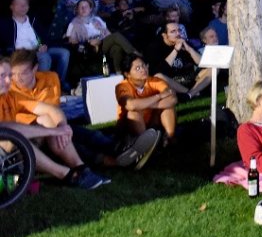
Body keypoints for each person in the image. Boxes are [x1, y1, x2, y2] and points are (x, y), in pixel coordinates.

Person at [9, 49, 158, 170]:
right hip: (32, 134)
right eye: (13, 74)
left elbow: (54, 109)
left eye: (23, 73)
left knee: (90, 135)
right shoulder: (9, 89)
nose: (18, 78)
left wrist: (62, 128)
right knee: (70, 142)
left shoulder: (50, 78)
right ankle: (113, 161)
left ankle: (125, 149)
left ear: (35, 68)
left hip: (54, 125)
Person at [0, 56, 111, 189]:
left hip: (12, 150)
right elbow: (6, 128)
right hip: (7, 147)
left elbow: (50, 109)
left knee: (47, 119)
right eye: (2, 76)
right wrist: (53, 131)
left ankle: (80, 168)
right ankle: (66, 174)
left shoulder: (9, 96)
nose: (9, 81)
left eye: (9, 75)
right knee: (14, 138)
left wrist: (62, 126)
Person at [0, 0, 71, 89]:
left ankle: (58, 83)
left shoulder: (33, 20)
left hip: (38, 48)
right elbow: (4, 43)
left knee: (64, 53)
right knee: (45, 57)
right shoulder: (6, 23)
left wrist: (44, 44)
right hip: (22, 53)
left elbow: (44, 36)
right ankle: (41, 87)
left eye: (25, 4)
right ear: (11, 6)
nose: (23, 7)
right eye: (19, 4)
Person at [64, 0, 140, 85]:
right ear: (77, 10)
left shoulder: (97, 19)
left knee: (116, 47)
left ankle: (119, 76)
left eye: (86, 7)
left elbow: (108, 33)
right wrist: (87, 42)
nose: (84, 9)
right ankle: (134, 53)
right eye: (81, 7)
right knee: (116, 36)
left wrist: (105, 39)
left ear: (90, 9)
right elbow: (71, 41)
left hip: (103, 43)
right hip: (90, 48)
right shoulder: (73, 23)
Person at [115, 53, 179, 144]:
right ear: (127, 74)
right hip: (130, 126)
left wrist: (149, 105)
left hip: (152, 121)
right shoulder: (122, 86)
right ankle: (146, 144)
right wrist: (159, 96)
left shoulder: (155, 81)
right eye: (137, 68)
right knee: (133, 113)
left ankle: (169, 137)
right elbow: (131, 105)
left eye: (144, 65)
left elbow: (173, 99)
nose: (143, 70)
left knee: (168, 107)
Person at [146, 21, 211, 98]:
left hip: (189, 79)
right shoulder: (155, 47)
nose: (178, 34)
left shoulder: (184, 43)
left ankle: (191, 94)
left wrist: (189, 49)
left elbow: (203, 63)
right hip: (172, 83)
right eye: (173, 31)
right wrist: (176, 50)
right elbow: (160, 71)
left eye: (179, 30)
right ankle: (190, 93)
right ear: (164, 35)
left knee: (212, 68)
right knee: (158, 76)